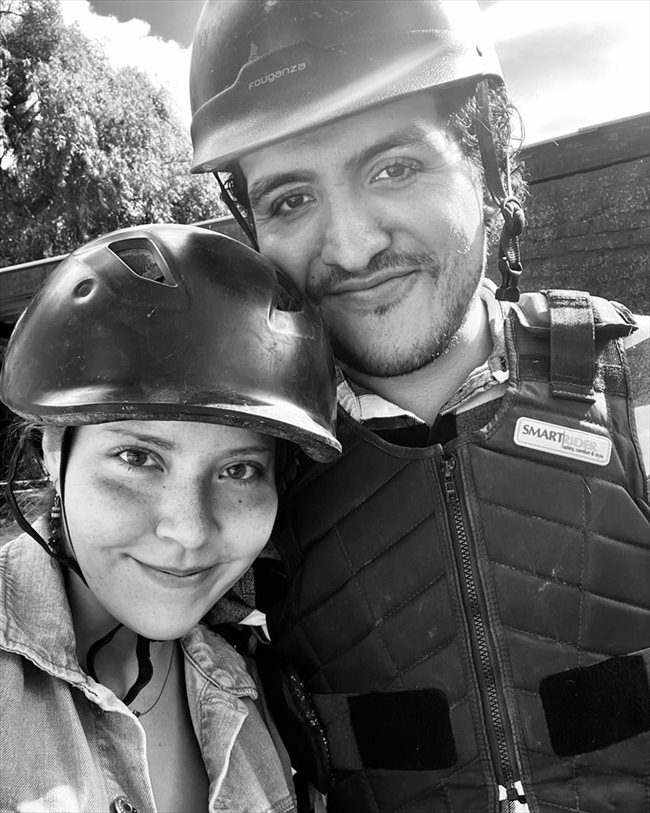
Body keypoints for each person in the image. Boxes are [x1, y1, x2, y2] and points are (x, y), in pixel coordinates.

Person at [188, 2, 650, 812]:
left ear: (489, 167)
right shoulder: (241, 474)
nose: (353, 246)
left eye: (394, 168)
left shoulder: (636, 384)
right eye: (290, 200)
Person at [0, 223, 341, 813]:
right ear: (52, 452)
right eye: (137, 458)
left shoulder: (257, 690)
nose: (189, 531)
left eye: (239, 470)